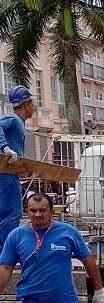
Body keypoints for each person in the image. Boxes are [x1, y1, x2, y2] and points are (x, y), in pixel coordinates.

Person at [0, 86, 34, 254]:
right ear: (26, 105)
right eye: (32, 103)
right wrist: (5, 147)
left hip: (9, 172)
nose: (33, 106)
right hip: (5, 172)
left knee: (6, 211)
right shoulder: (13, 119)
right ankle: (4, 252)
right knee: (13, 211)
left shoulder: (18, 124)